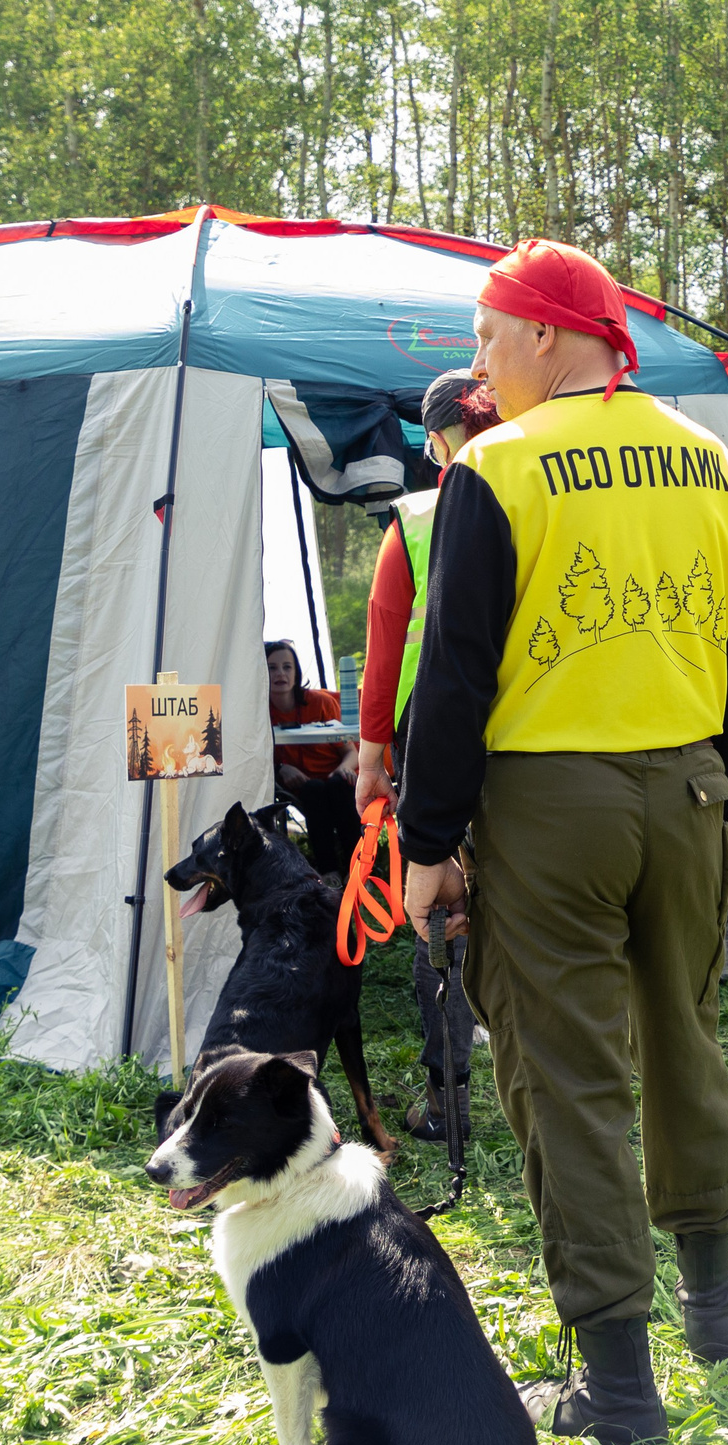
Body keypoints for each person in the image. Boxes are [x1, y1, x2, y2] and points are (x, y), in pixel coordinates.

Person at [398, 237, 728, 1445]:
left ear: (547, 335)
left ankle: (617, 1382)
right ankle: (712, 1304)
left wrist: (427, 841)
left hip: (549, 806)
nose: (478, 363)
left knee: (568, 1078)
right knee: (684, 1038)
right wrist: (726, 807)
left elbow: (454, 675)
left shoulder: (496, 467)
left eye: (487, 337)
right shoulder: (711, 461)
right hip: (691, 789)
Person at [356, 371, 500, 1147]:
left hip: (432, 744)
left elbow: (384, 650)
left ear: (437, 441)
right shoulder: (539, 494)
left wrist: (370, 759)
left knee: (438, 915)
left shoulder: (417, 517)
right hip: (530, 740)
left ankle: (449, 1104)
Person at [267, 639, 361, 877]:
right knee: (314, 790)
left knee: (339, 785)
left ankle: (359, 872)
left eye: (287, 667)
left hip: (336, 776)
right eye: (272, 668)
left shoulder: (320, 702)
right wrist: (279, 768)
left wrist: (344, 768)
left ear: (296, 672)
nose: (280, 674)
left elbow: (351, 752)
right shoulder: (258, 712)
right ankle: (329, 873)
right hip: (302, 785)